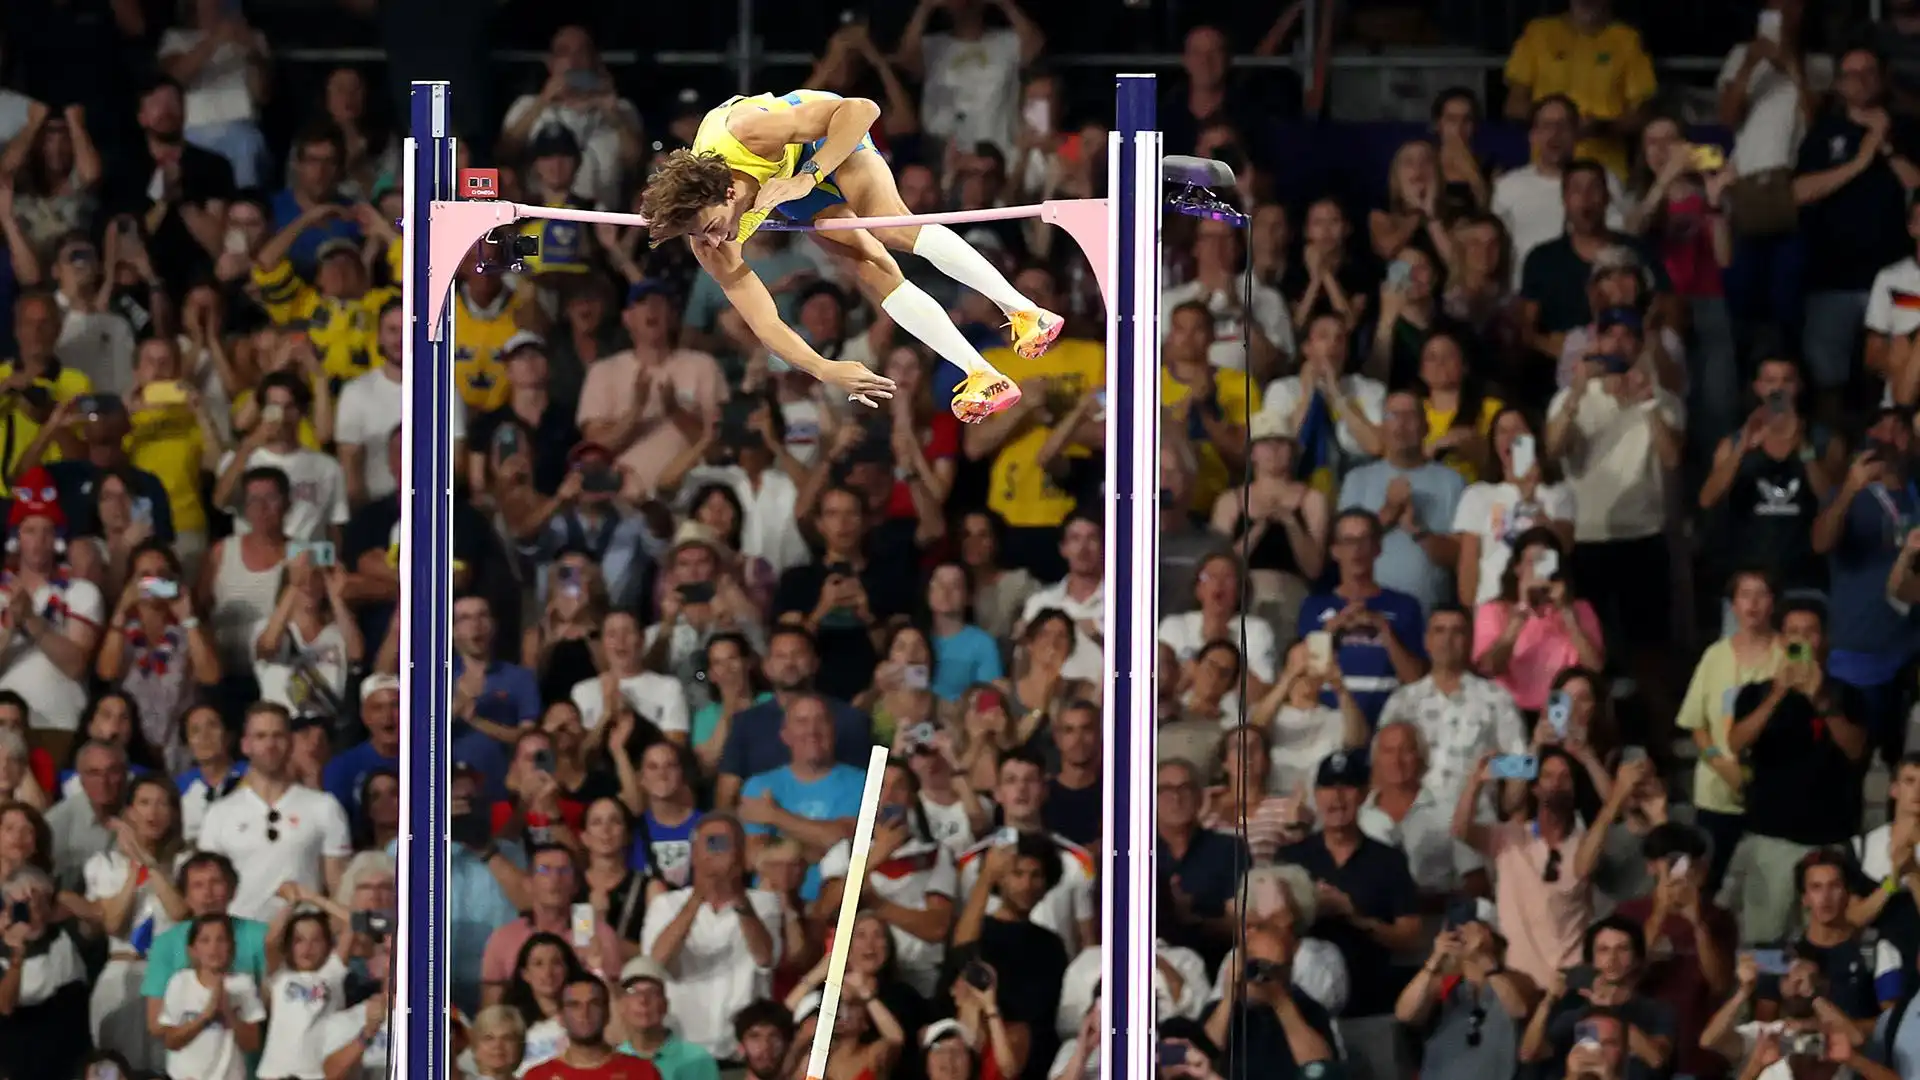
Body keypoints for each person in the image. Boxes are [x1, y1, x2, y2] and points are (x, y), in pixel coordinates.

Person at [641, 91, 1070, 422]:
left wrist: (810, 176)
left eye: (712, 227)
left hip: (821, 135)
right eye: (699, 236)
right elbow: (765, 323)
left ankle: (1027, 312)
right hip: (783, 180)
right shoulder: (707, 243)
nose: (712, 242)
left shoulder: (749, 132)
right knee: (871, 266)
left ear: (729, 193)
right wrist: (824, 369)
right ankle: (982, 374)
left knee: (890, 224)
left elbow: (862, 109)